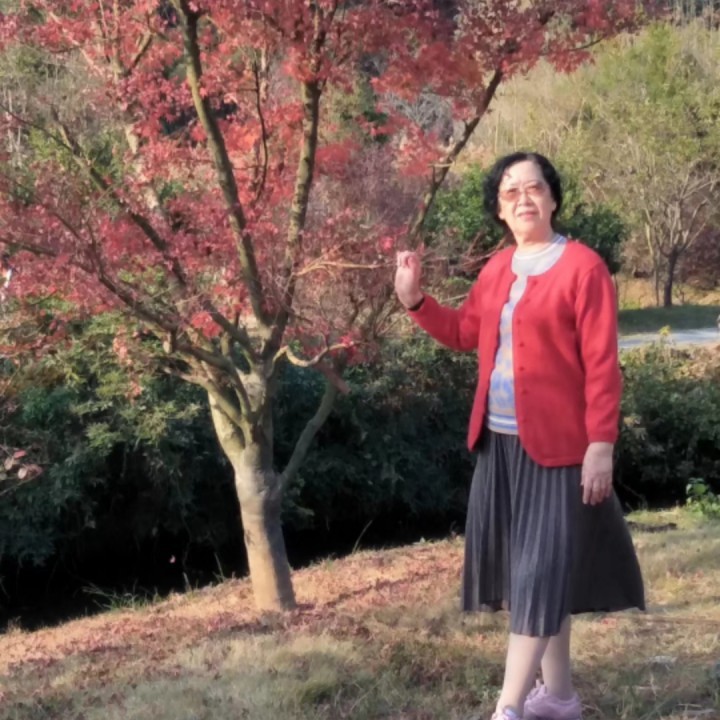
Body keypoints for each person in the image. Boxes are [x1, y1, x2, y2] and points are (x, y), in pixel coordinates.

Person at [394, 152, 645, 720]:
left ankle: (507, 708)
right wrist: (415, 300)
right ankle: (558, 697)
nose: (523, 199)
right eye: (511, 193)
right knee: (535, 577)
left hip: (560, 449)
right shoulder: (497, 268)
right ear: (500, 210)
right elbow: (464, 332)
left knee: (538, 575)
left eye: (534, 188)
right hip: (500, 445)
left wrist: (601, 445)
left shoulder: (583, 268)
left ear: (553, 199)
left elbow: (603, 364)